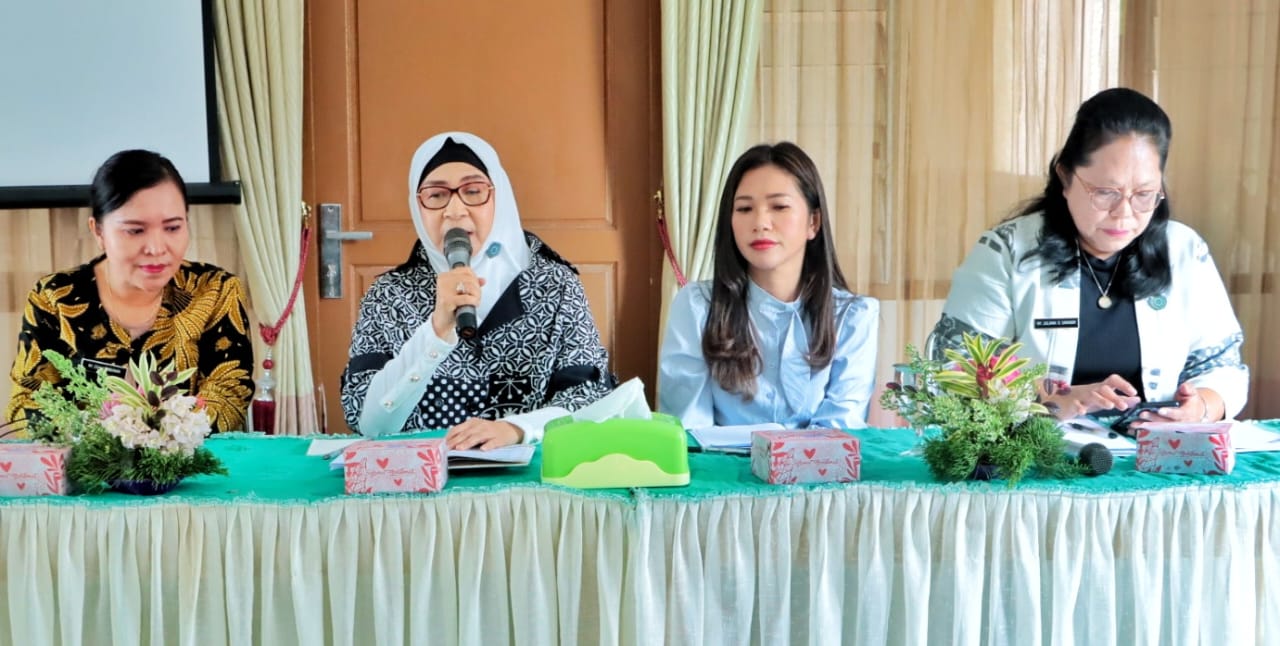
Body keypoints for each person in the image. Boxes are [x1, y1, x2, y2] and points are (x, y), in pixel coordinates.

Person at [931, 87, 1248, 423]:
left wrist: (1199, 408)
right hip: (1038, 449)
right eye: (1106, 192)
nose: (1124, 213)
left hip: (1153, 450)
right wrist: (1052, 401)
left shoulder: (1184, 250)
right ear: (1065, 177)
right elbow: (954, 371)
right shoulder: (1007, 252)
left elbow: (1223, 367)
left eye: (1144, 194)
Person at [340, 132, 613, 449]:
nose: (454, 210)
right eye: (436, 195)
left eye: (473, 191)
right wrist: (434, 333)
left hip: (529, 475)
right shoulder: (389, 295)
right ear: (418, 207)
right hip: (422, 476)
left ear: (500, 198)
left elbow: (590, 397)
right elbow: (367, 422)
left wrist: (518, 428)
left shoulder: (556, 285)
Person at [5, 149, 255, 433]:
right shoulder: (55, 297)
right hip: (83, 459)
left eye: (173, 228)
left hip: (189, 459)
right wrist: (108, 436)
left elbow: (229, 393)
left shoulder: (215, 290)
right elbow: (28, 401)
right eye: (135, 231)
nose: (157, 248)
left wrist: (157, 433)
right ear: (98, 231)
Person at [658, 142, 880, 430]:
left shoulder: (853, 317)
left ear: (813, 222)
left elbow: (839, 429)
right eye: (745, 208)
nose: (760, 222)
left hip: (819, 462)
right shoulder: (697, 307)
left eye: (779, 206)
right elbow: (689, 431)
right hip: (717, 461)